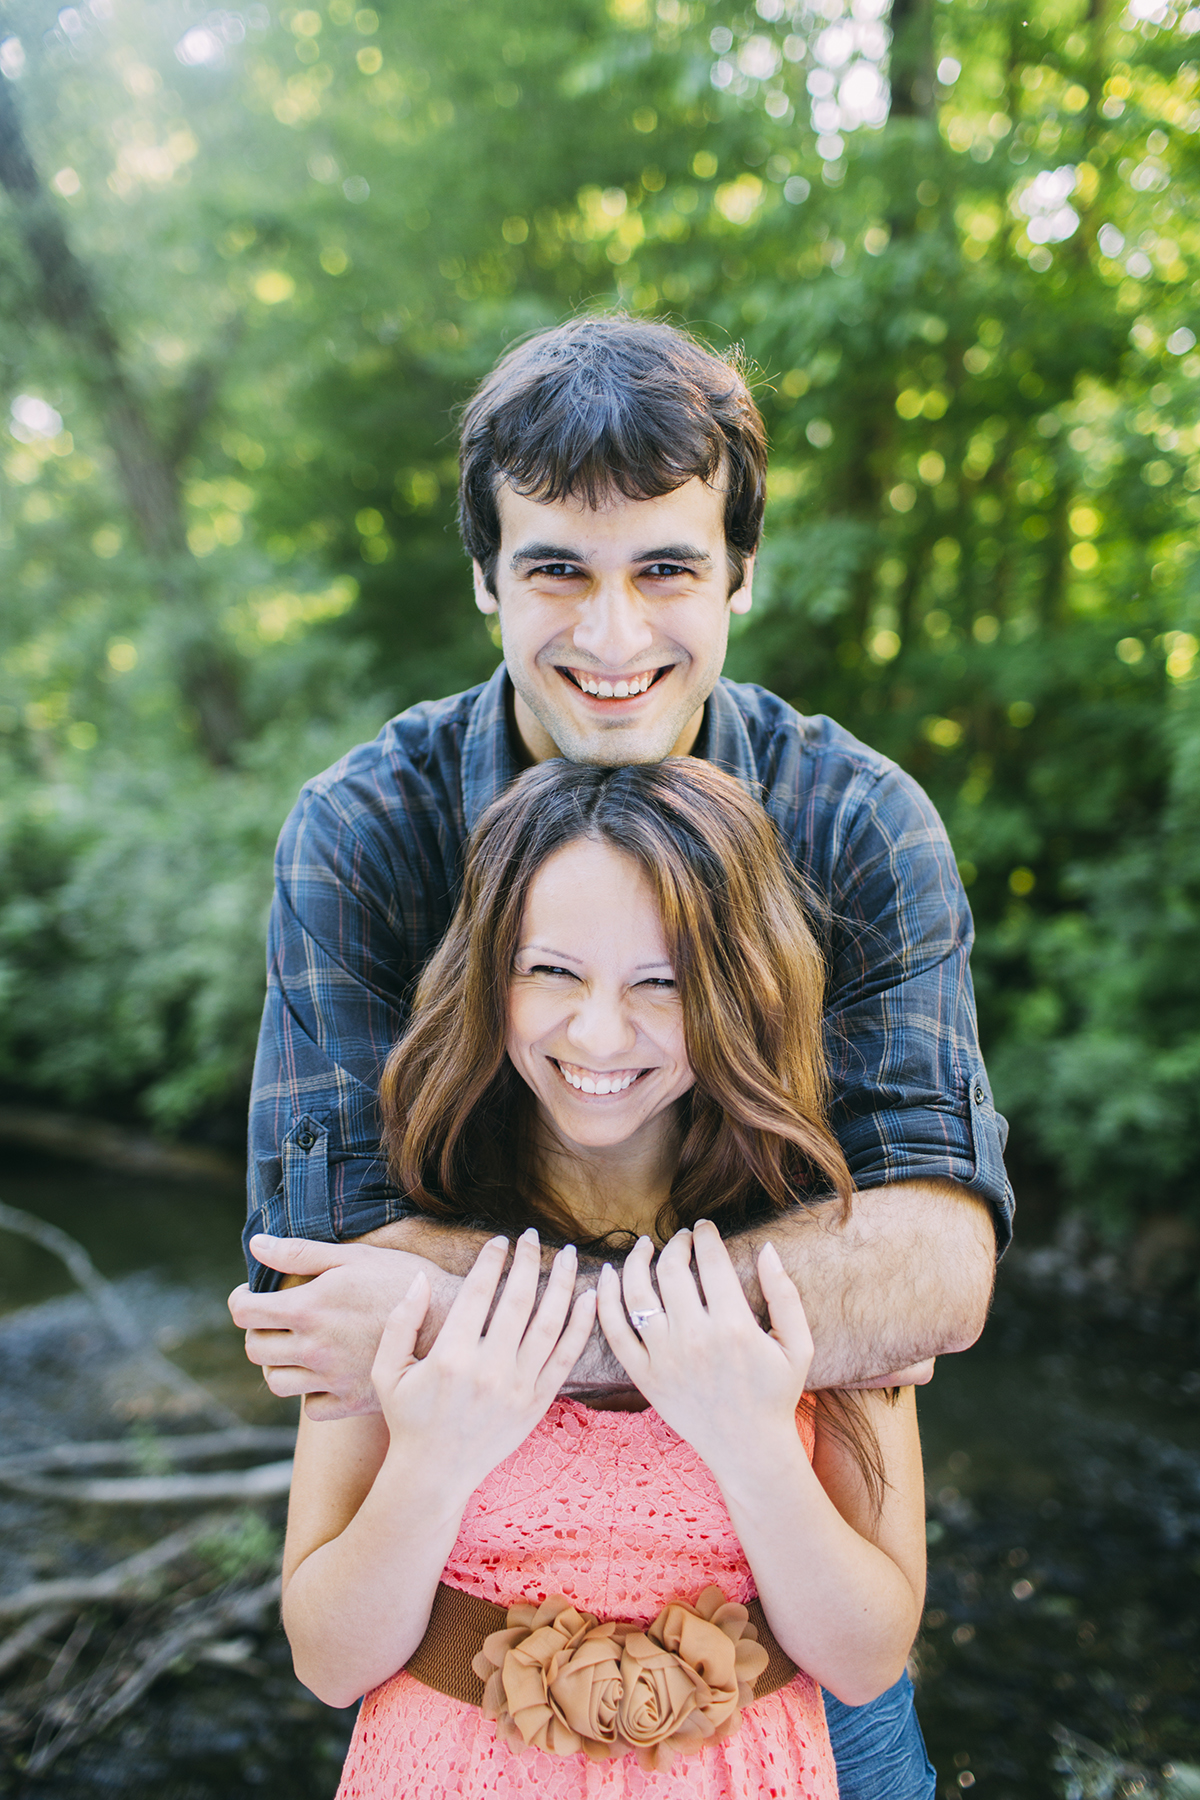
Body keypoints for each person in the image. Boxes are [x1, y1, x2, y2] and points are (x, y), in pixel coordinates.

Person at [229, 314, 1012, 1797]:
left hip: (786, 1627)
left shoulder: (858, 825)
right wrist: (768, 1323)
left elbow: (936, 1269)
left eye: (664, 568)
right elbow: (328, 1282)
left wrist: (509, 1335)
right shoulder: (367, 832)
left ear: (740, 573)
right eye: (555, 572)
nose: (610, 636)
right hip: (464, 1643)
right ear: (484, 579)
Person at [282, 757, 928, 1800]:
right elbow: (327, 1661)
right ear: (490, 976)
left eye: (661, 982)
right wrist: (434, 1462)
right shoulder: (400, 1248)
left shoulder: (822, 1256)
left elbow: (867, 1658)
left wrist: (753, 1443)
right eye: (551, 973)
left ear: (735, 991)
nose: (596, 1031)